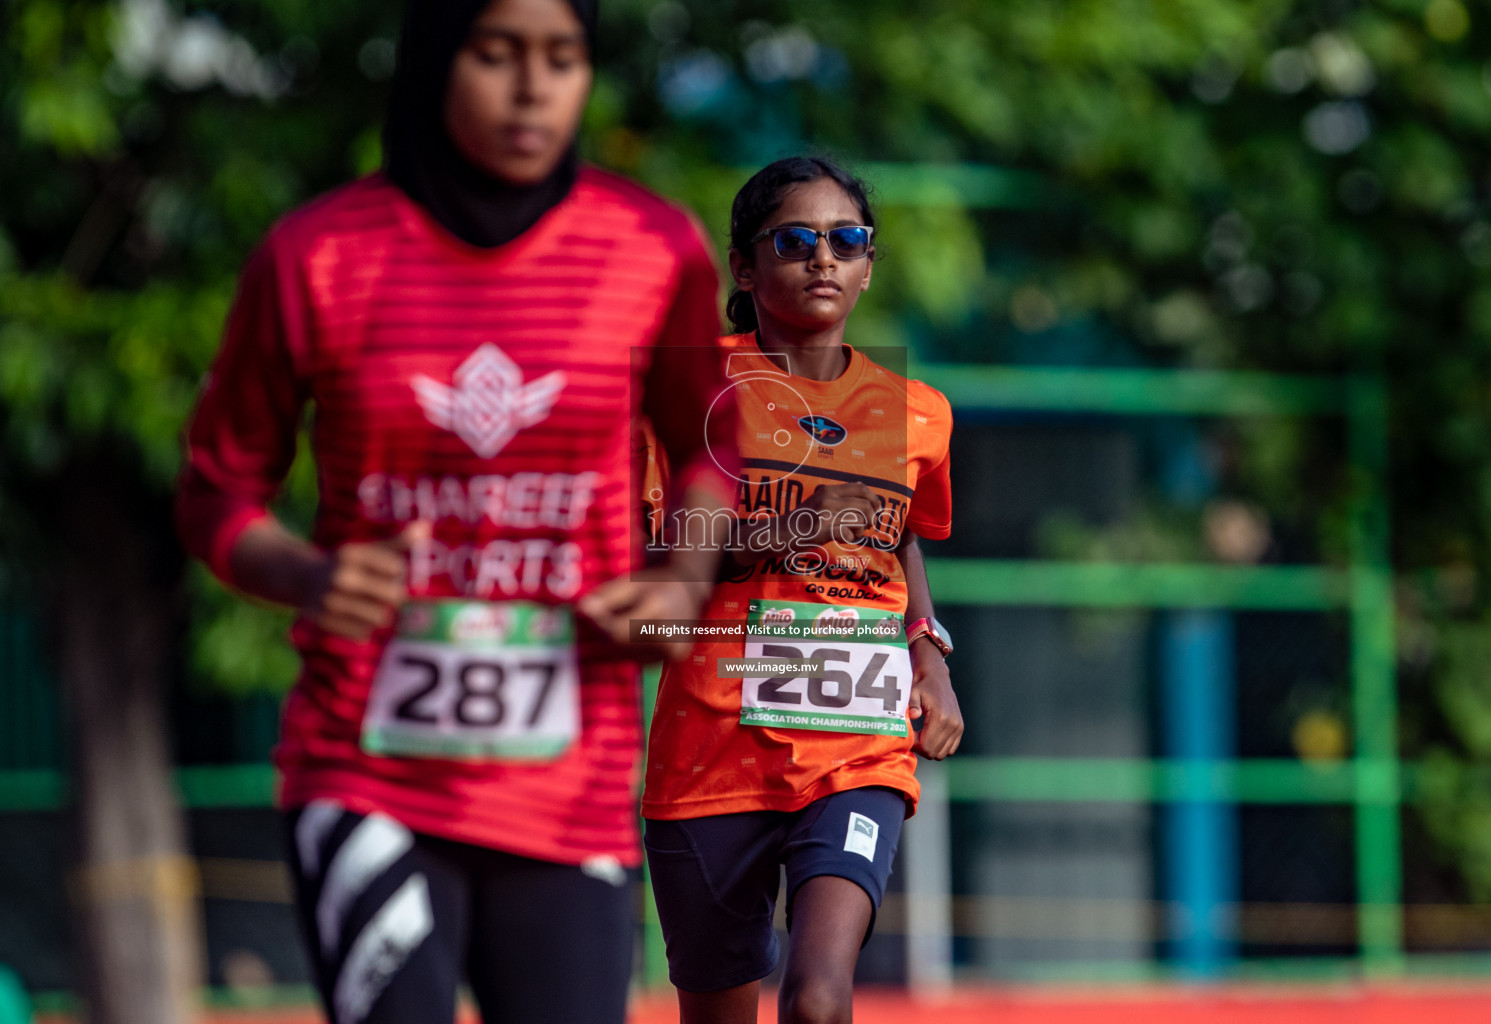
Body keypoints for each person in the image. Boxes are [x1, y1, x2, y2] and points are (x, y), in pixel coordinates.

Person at [174, 0, 738, 1021]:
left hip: (574, 780)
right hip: (368, 768)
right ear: (438, 63)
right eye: (498, 54)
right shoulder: (318, 255)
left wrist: (682, 579)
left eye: (563, 59)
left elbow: (714, 451)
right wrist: (309, 575)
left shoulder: (653, 250)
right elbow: (217, 490)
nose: (533, 87)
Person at [641, 156, 964, 1024]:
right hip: (711, 754)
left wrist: (927, 654)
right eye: (795, 240)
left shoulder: (918, 410)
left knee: (819, 999)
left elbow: (900, 536)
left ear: (867, 265)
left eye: (847, 240)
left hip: (855, 747)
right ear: (745, 267)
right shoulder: (689, 388)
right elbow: (652, 554)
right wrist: (794, 527)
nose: (824, 258)